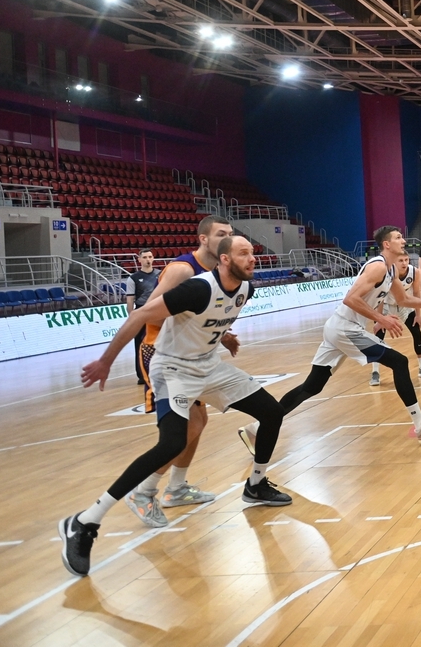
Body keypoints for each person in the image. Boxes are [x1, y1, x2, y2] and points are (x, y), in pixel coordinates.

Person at [58, 236, 293, 578]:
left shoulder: (246, 289)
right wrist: (106, 361)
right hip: (173, 369)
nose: (252, 258)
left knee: (271, 413)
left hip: (208, 366)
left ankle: (255, 485)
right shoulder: (196, 288)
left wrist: (224, 336)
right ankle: (84, 521)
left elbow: (211, 319)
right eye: (244, 253)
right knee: (172, 442)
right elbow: (140, 315)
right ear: (224, 260)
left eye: (253, 253)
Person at [239, 226, 421, 451]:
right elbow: (350, 299)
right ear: (387, 244)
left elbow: (404, 300)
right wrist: (381, 318)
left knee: (311, 386)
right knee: (399, 362)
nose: (403, 240)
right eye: (398, 237)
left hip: (339, 328)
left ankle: (256, 429)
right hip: (346, 329)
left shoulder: (390, 270)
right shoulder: (378, 266)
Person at [127, 215, 234, 527]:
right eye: (221, 234)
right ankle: (143, 491)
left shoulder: (216, 272)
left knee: (199, 421)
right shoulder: (183, 269)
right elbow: (151, 314)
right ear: (203, 239)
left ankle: (176, 488)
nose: (227, 240)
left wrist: (220, 334)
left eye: (230, 234)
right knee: (184, 428)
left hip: (189, 355)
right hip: (160, 352)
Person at [374, 251, 421, 383]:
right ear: (394, 262)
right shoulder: (387, 272)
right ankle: (375, 372)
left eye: (406, 260)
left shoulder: (414, 272)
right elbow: (380, 297)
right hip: (386, 304)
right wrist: (379, 319)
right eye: (401, 260)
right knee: (378, 336)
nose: (404, 263)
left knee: (416, 331)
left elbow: (416, 293)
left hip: (404, 305)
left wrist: (418, 315)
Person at [126, 248, 159, 385]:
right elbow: (130, 299)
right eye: (144, 257)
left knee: (160, 343)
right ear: (139, 260)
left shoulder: (160, 274)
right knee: (140, 345)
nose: (148, 260)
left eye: (150, 257)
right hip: (141, 312)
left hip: (158, 311)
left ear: (153, 258)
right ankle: (142, 375)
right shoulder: (133, 278)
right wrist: (131, 317)